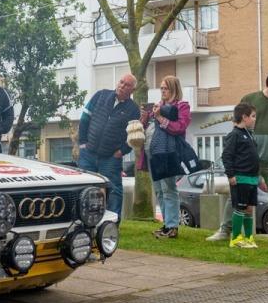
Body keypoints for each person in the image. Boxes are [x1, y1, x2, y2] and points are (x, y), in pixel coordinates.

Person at [207, 67, 268, 247]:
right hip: (248, 163)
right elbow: (237, 126)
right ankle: (224, 231)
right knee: (235, 196)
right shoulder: (250, 99)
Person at [77, 73, 140, 216]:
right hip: (88, 154)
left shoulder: (133, 110)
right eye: (121, 82)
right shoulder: (101, 95)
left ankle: (111, 224)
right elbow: (85, 118)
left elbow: (134, 137)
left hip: (110, 158)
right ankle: (84, 222)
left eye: (127, 85)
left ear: (133, 91)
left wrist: (121, 152)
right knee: (84, 188)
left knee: (114, 191)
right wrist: (82, 143)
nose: (122, 86)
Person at [144, 76, 190, 239]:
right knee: (159, 191)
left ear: (174, 89)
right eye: (161, 88)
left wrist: (160, 118)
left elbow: (180, 127)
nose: (162, 91)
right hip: (154, 152)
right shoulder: (158, 106)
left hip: (169, 152)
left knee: (169, 189)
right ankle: (166, 225)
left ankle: (172, 226)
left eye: (166, 88)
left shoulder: (182, 106)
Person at [221, 102, 260, 249]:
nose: (255, 119)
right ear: (244, 117)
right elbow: (227, 156)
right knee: (240, 208)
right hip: (240, 178)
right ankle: (236, 239)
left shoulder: (249, 134)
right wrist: (230, 175)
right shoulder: (234, 135)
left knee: (250, 209)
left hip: (252, 178)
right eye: (253, 116)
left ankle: (249, 238)